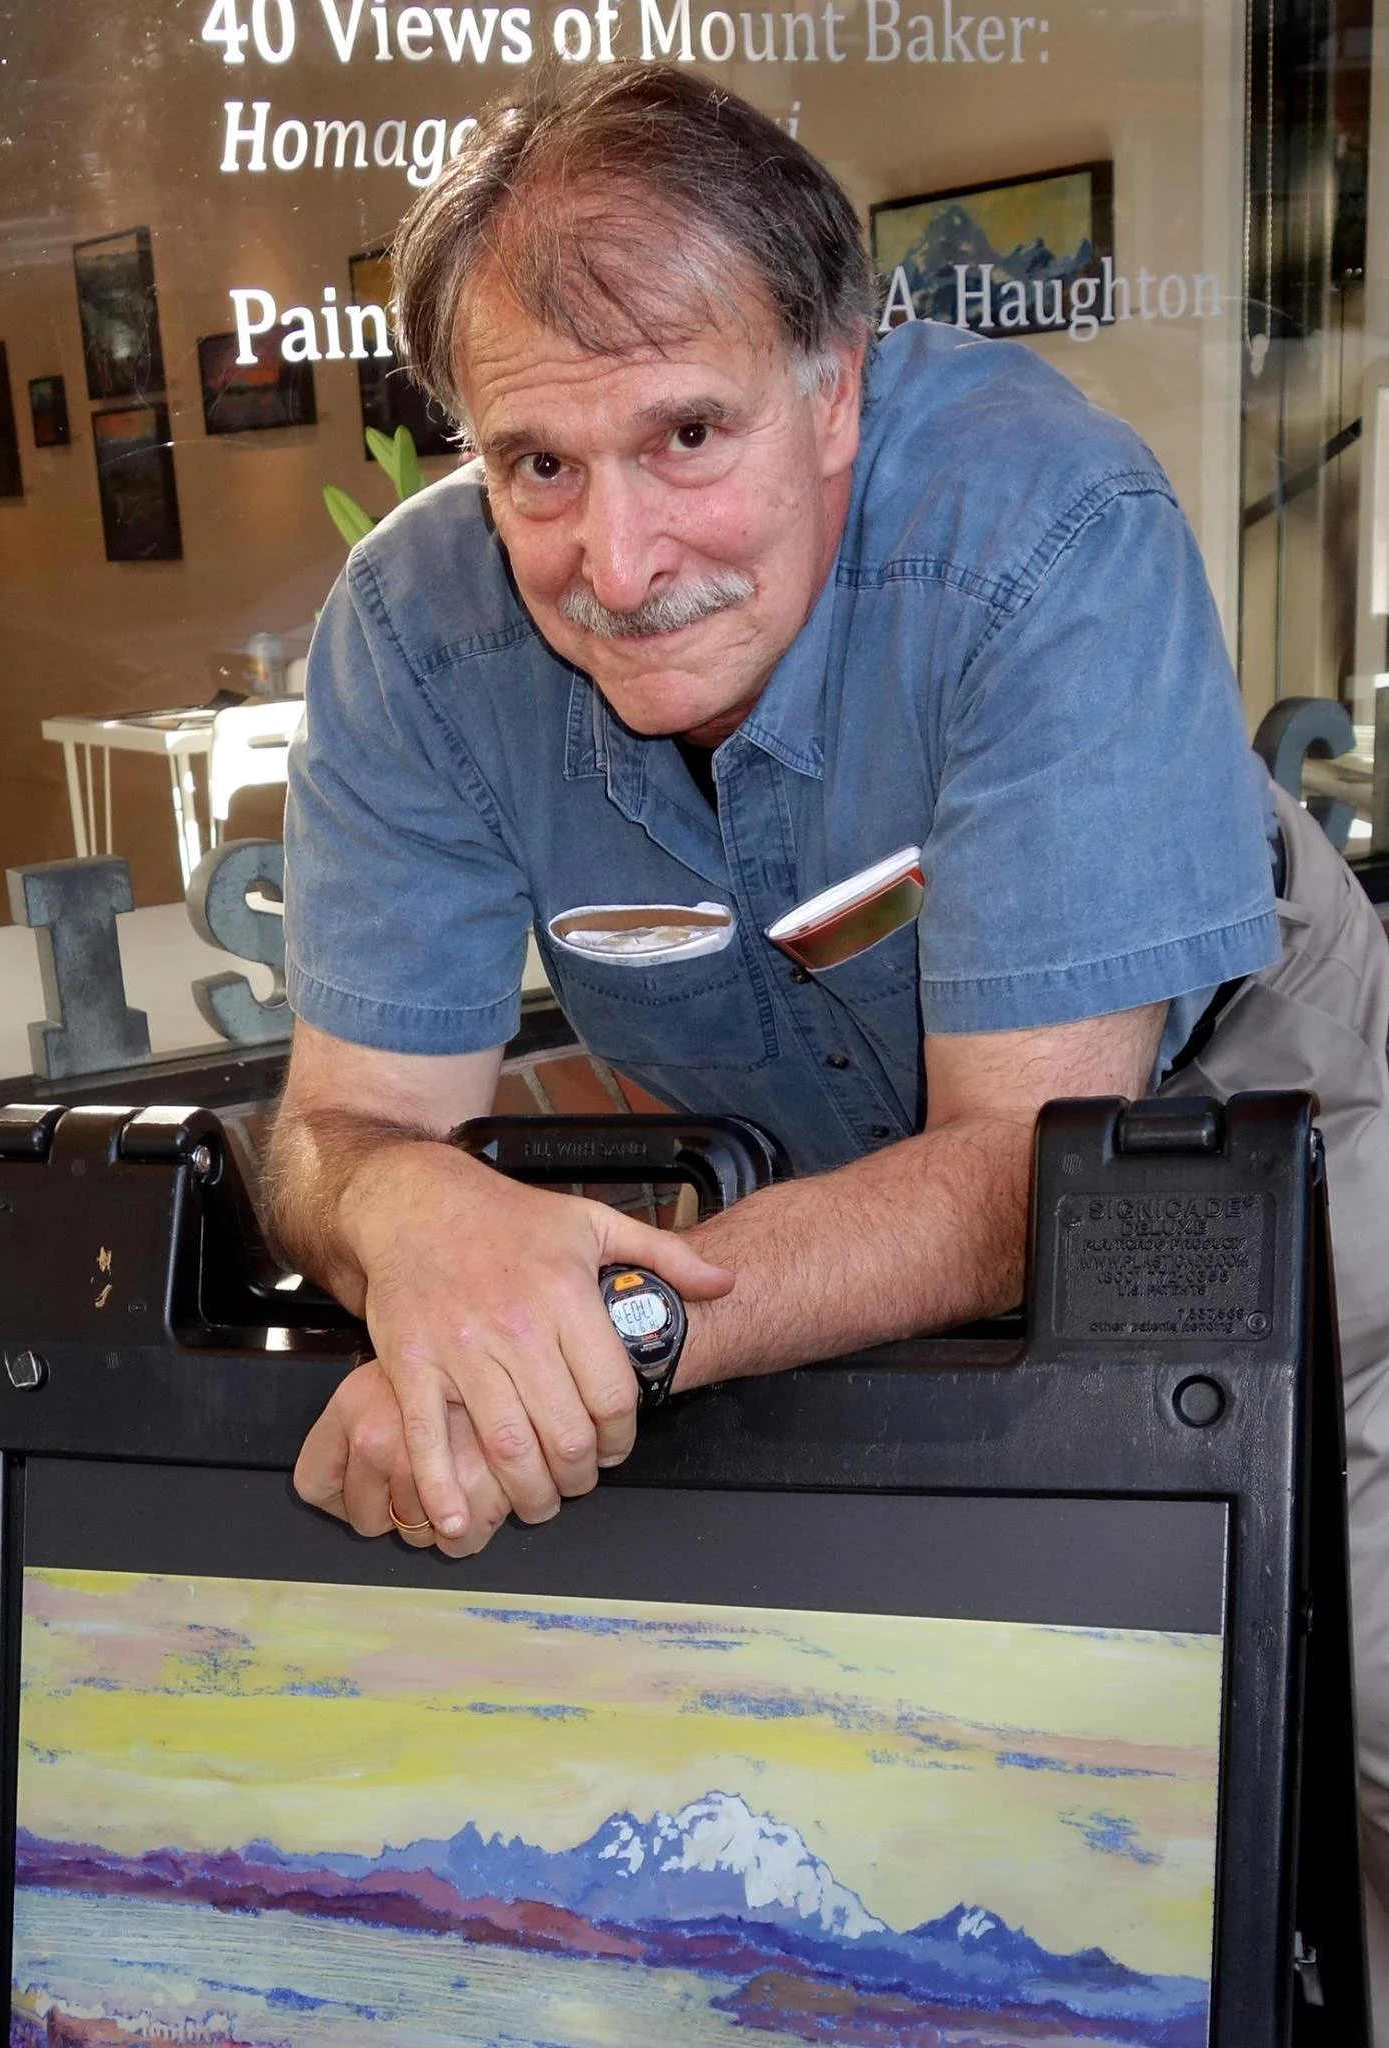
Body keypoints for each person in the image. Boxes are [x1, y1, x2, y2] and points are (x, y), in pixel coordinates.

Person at [267, 61, 1389, 2017]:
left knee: (1347, 1717)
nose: (617, 562)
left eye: (686, 434)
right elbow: (338, 1128)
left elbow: (1030, 1177)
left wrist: (581, 1337)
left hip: (1266, 1162)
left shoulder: (1037, 522)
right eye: (536, 466)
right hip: (827, 1232)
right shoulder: (414, 638)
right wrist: (407, 1221)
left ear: (838, 389)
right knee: (1016, 1823)